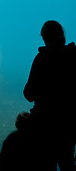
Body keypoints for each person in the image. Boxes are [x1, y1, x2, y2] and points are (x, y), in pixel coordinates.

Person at [23, 20, 76, 171]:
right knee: (68, 162)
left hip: (45, 124)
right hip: (69, 124)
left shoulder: (41, 59)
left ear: (45, 38)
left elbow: (29, 94)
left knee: (46, 163)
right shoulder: (73, 56)